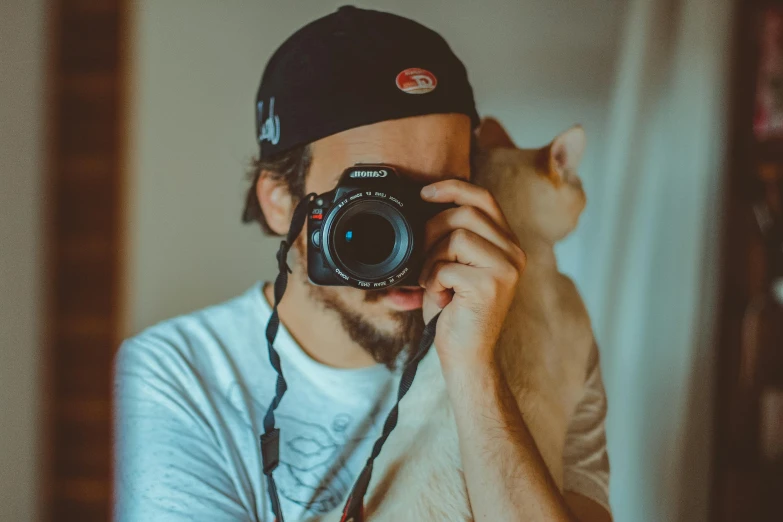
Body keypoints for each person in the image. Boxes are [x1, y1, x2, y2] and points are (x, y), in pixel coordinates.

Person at [114, 6, 611, 522]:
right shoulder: (177, 378)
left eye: (436, 196)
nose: (410, 240)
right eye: (372, 205)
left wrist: (476, 373)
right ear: (280, 201)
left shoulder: (553, 340)